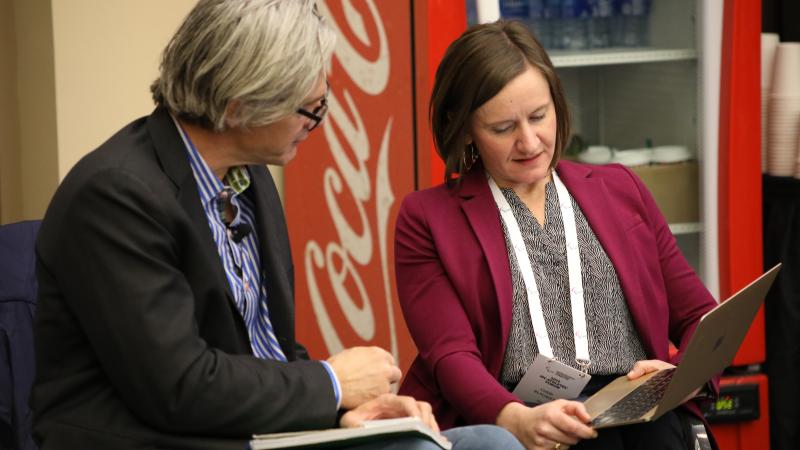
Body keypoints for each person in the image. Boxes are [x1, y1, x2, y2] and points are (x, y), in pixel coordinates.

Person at [30, 2, 524, 450]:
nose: (318, 124)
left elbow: (266, 349)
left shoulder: (249, 178)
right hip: (164, 438)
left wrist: (349, 411)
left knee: (489, 440)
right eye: (310, 110)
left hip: (260, 433)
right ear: (238, 105)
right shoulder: (117, 195)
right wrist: (330, 384)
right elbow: (177, 387)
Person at [394, 20, 720, 450]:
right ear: (465, 127)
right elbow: (450, 356)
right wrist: (516, 419)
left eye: (538, 116)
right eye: (502, 128)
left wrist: (679, 381)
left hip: (636, 410)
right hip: (515, 411)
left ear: (557, 104)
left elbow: (700, 315)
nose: (529, 141)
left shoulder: (621, 188)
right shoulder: (428, 218)